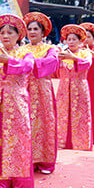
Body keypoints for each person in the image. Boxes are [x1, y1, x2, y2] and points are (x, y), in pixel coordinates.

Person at [0, 14, 35, 188]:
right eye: (2, 32)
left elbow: (28, 66)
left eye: (10, 33)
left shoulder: (24, 53)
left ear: (18, 35)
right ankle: (1, 180)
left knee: (19, 137)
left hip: (17, 99)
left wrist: (7, 61)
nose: (5, 36)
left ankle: (19, 181)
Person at [20, 12, 59, 174]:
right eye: (29, 29)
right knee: (25, 122)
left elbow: (52, 63)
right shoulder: (21, 49)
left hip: (43, 90)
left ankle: (44, 160)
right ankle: (26, 159)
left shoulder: (50, 49)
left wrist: (29, 63)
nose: (32, 32)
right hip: (24, 90)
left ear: (43, 32)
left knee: (44, 122)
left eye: (36, 29)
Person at [56, 25, 93, 150]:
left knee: (80, 114)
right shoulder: (62, 54)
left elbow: (87, 64)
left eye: (74, 39)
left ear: (80, 41)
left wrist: (73, 58)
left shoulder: (85, 53)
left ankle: (81, 143)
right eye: (69, 39)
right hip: (64, 88)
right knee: (62, 113)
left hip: (80, 87)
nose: (71, 42)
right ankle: (62, 142)